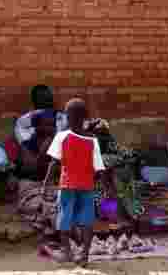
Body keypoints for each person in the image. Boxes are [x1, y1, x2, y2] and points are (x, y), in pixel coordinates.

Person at [43, 99, 114, 267]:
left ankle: (68, 252)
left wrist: (46, 183)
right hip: (86, 187)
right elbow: (99, 167)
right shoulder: (92, 139)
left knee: (64, 220)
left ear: (67, 117)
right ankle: (84, 256)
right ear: (85, 118)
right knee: (87, 222)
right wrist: (106, 188)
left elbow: (53, 163)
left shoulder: (62, 136)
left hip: (67, 185)